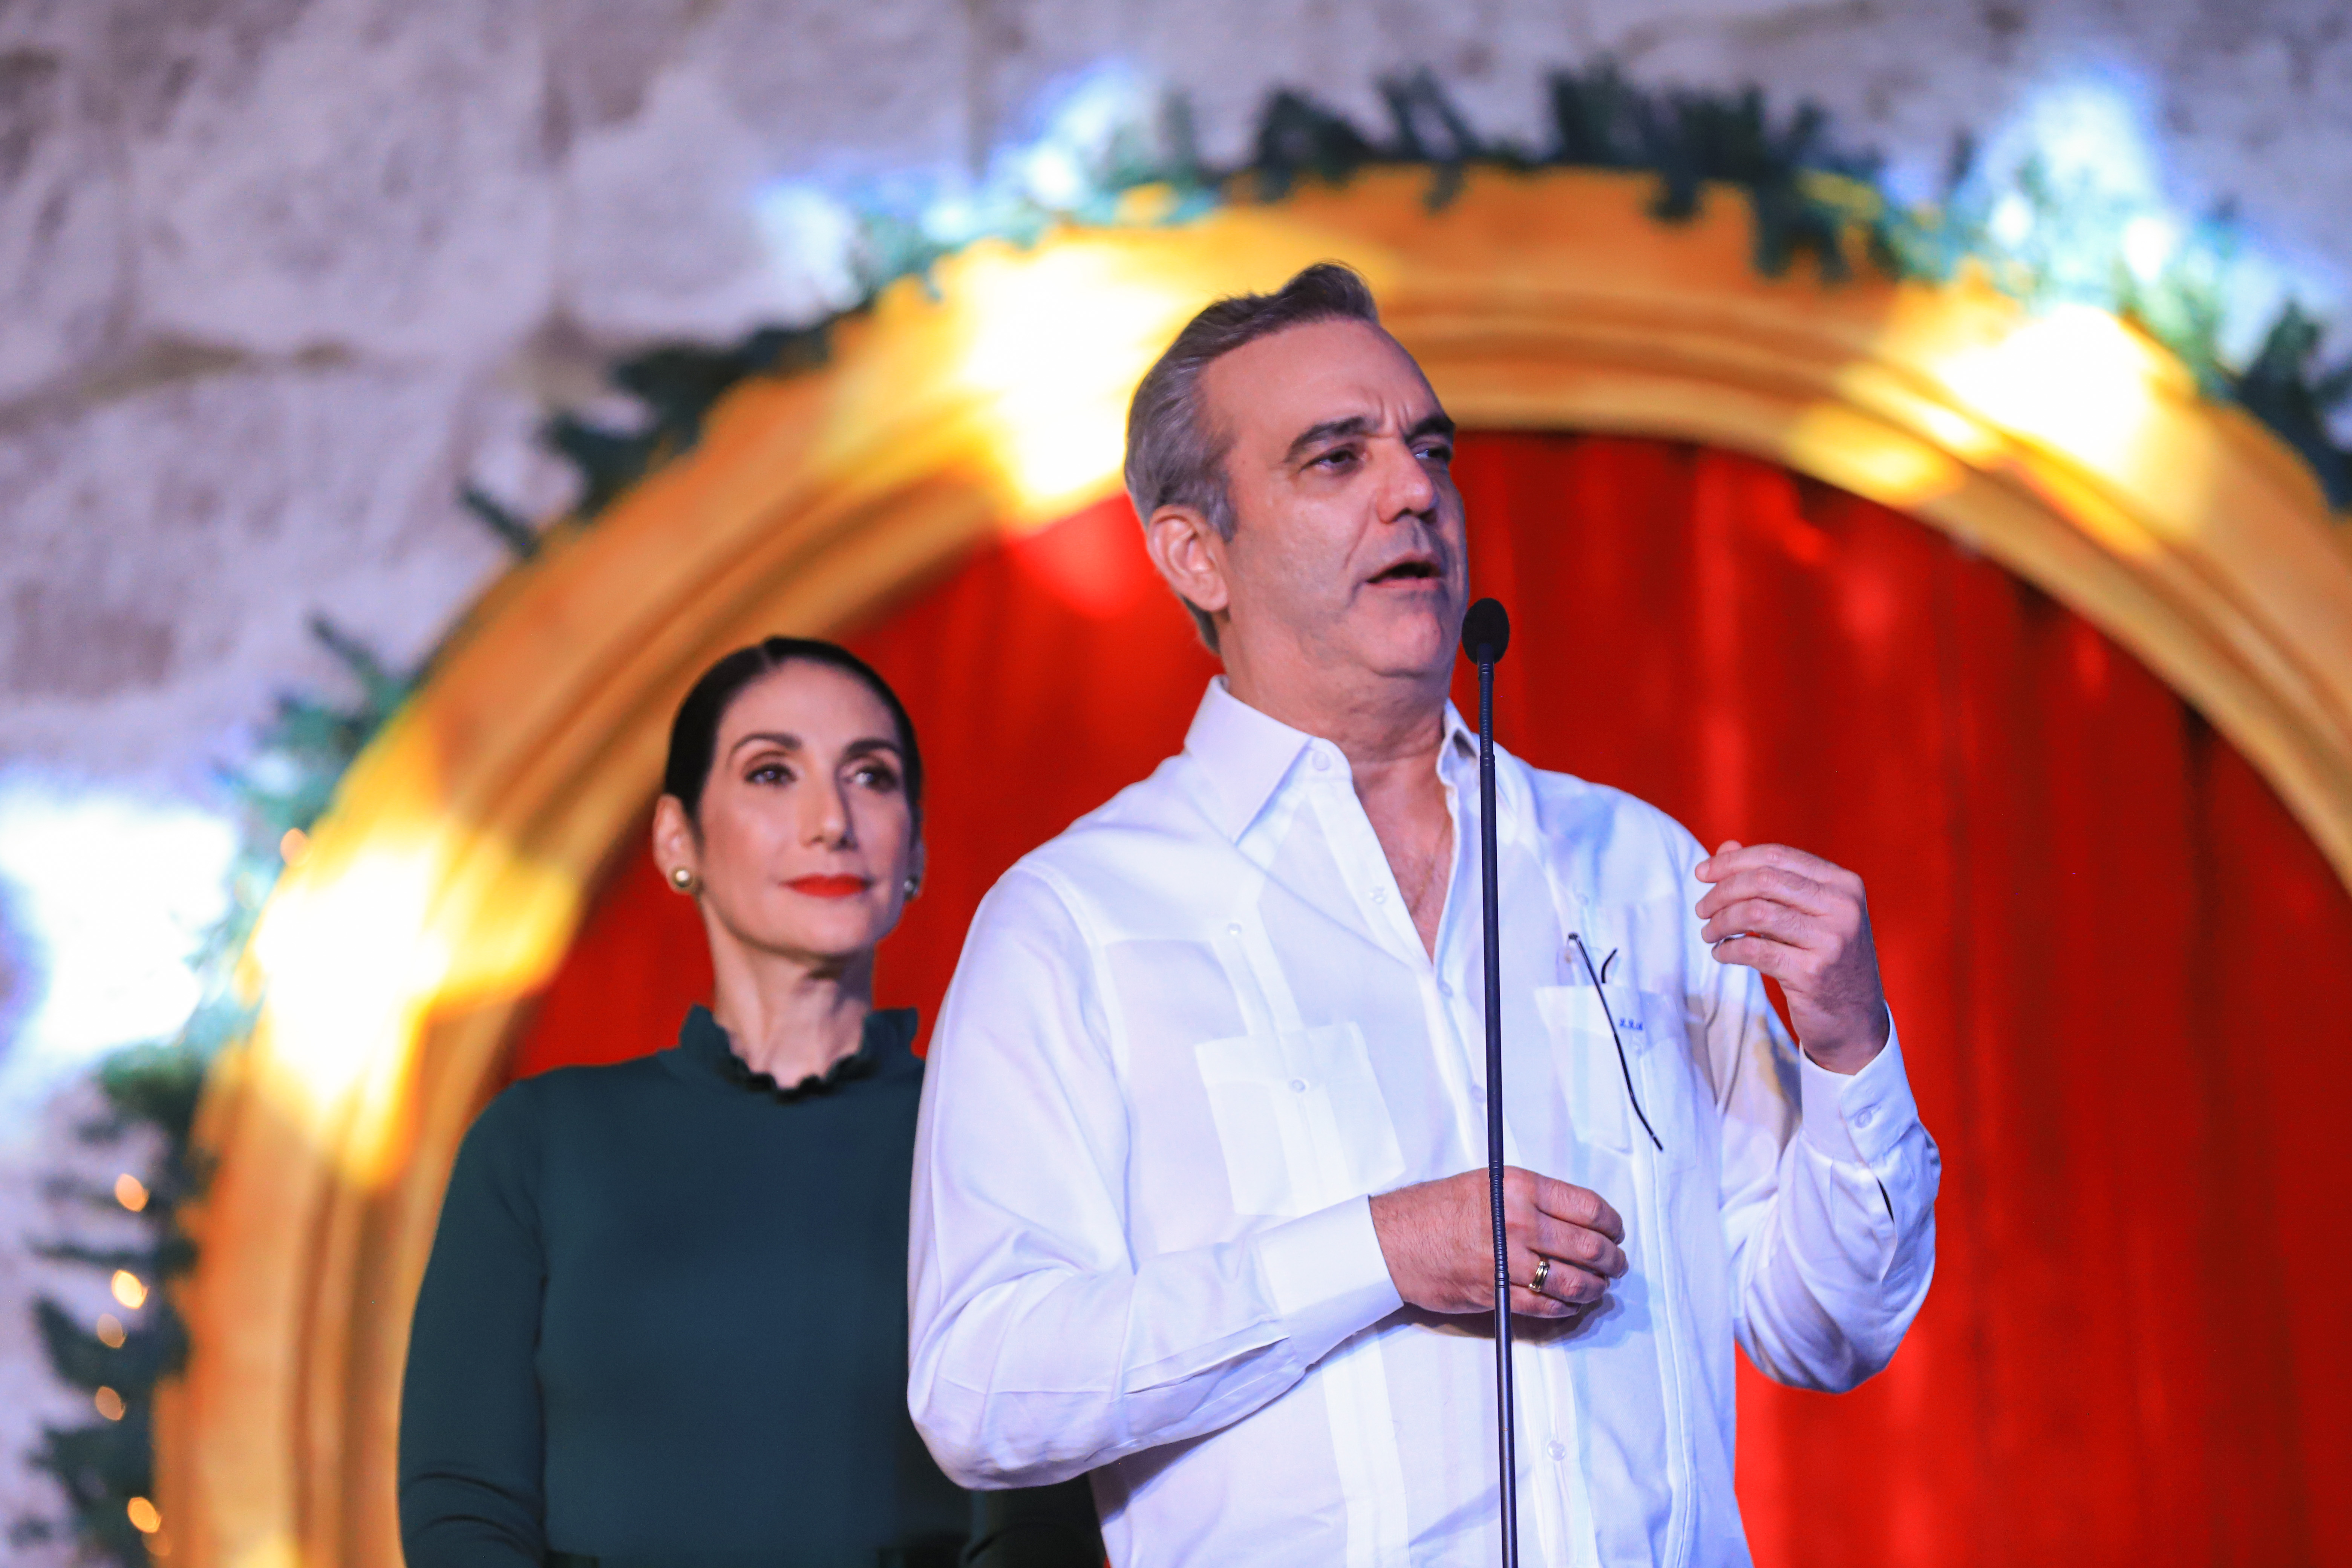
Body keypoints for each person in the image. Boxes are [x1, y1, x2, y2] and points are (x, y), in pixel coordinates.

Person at [906, 266, 1940, 1566]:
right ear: (1194, 552)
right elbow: (982, 1390)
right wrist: (1378, 1252)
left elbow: (1825, 1328)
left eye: (1430, 449)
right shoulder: (1079, 922)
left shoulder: (1634, 864)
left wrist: (1849, 1048)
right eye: (1337, 458)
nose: (1415, 492)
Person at [400, 637, 1101, 1568]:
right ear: (676, 838)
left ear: (916, 846)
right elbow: (464, 1504)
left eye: (871, 777)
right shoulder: (541, 1144)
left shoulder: (998, 1141)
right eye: (773, 772)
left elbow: (1037, 1510)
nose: (831, 821)